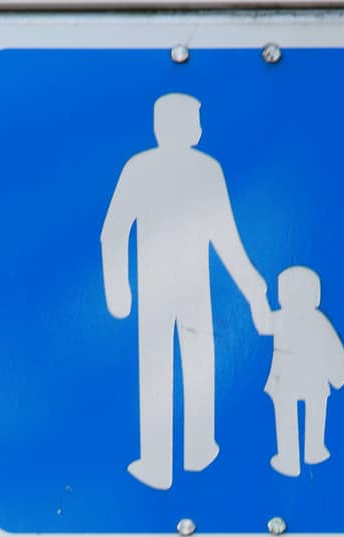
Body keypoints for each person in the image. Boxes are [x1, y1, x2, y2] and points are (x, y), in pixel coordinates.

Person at [101, 93, 270, 491]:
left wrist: (252, 286)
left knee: (180, 368)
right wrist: (117, 291)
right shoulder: (156, 168)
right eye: (196, 119)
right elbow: (115, 230)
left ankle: (180, 457)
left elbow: (223, 235)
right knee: (185, 368)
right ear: (169, 125)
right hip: (169, 286)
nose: (200, 127)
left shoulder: (192, 169)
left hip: (173, 286)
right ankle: (187, 455)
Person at [261, 266, 344, 477]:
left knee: (291, 416)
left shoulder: (287, 319)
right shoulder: (315, 320)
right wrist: (339, 376)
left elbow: (262, 322)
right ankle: (308, 453)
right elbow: (335, 351)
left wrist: (259, 297)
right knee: (303, 413)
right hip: (309, 380)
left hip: (292, 380)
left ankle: (298, 456)